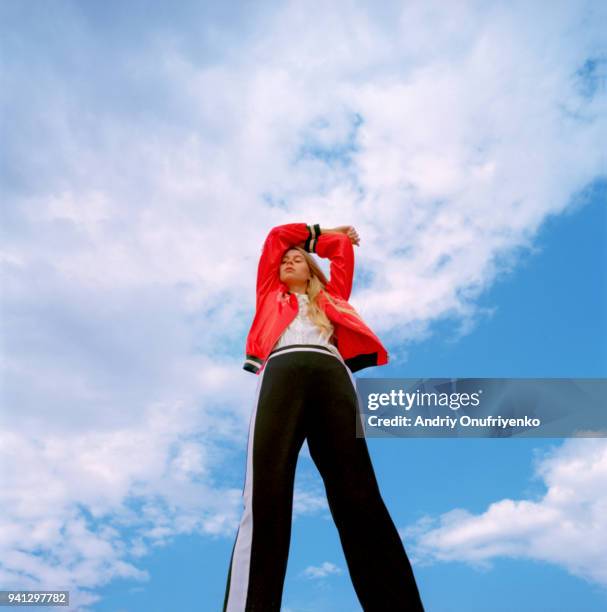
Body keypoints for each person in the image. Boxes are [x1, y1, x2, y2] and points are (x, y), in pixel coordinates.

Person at [223, 223, 425, 611]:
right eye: (285, 260)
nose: (289, 261)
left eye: (299, 259)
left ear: (312, 272)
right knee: (266, 496)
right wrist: (320, 231)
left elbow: (343, 253)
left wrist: (337, 240)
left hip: (332, 376)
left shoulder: (332, 297)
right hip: (281, 372)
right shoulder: (270, 293)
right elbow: (276, 237)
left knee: (359, 495)